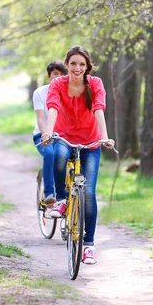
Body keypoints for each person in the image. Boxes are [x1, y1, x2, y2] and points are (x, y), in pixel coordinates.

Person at [41, 45, 115, 265]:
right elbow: (53, 107)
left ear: (87, 67)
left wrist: (105, 137)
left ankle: (89, 245)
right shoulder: (58, 84)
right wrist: (48, 131)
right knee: (59, 155)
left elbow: (98, 109)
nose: (77, 68)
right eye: (73, 63)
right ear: (67, 65)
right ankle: (62, 199)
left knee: (89, 193)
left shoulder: (95, 84)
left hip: (91, 141)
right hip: (64, 136)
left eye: (81, 64)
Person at [32, 60, 68, 204]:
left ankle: (66, 193)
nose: (57, 77)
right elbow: (41, 118)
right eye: (55, 74)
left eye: (61, 74)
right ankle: (49, 194)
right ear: (49, 76)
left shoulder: (69, 92)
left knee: (64, 156)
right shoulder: (40, 93)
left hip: (63, 136)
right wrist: (45, 134)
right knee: (50, 153)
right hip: (42, 134)